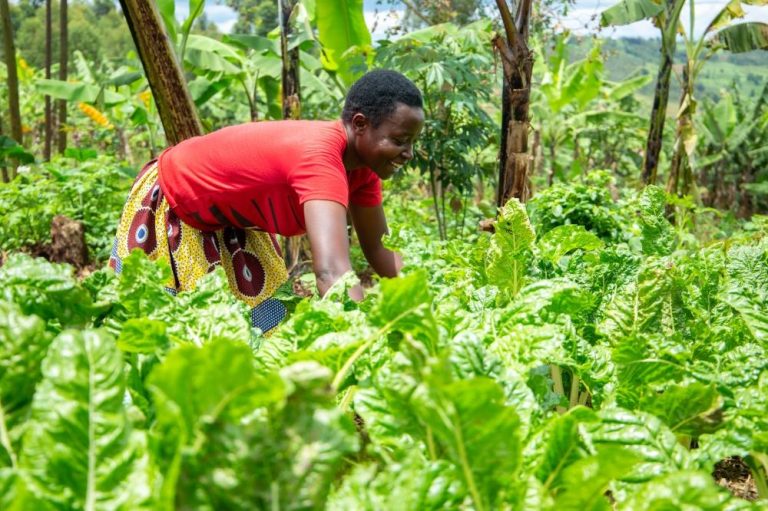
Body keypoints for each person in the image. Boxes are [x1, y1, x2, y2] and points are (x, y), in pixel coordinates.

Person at [109, 69, 425, 333]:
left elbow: (379, 249)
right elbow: (332, 273)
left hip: (232, 219)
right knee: (167, 333)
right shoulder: (320, 159)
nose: (408, 154)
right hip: (175, 199)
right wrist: (364, 342)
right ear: (359, 125)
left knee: (265, 330)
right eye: (399, 141)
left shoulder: (362, 171)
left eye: (411, 143)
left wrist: (425, 305)